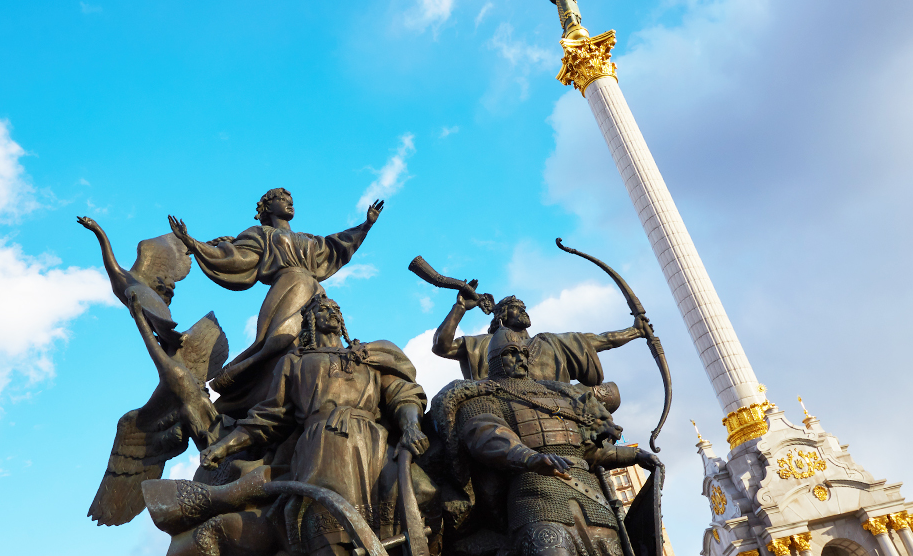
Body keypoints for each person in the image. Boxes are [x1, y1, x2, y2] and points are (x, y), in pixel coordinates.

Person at [200, 293, 433, 556]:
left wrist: (411, 425)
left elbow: (403, 394)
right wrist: (223, 447)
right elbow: (269, 416)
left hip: (373, 445)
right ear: (310, 319)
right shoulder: (296, 362)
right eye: (324, 309)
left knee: (417, 501)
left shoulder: (368, 357)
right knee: (328, 529)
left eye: (336, 309)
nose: (332, 313)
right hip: (323, 447)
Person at [437, 329, 663, 556]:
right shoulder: (484, 396)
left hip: (595, 503)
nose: (520, 359)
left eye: (523, 353)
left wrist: (634, 455)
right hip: (536, 498)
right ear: (494, 360)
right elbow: (486, 435)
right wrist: (529, 457)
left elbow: (588, 450)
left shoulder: (559, 394)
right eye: (511, 353)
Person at [168, 188, 383, 416]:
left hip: (316, 292)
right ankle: (247, 391)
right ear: (268, 207)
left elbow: (336, 246)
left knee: (317, 344)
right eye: (283, 200)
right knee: (278, 343)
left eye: (291, 200)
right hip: (287, 287)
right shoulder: (261, 234)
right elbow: (236, 258)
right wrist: (192, 242)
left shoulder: (308, 239)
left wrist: (365, 226)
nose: (290, 203)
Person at [431, 294, 647, 385]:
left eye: (525, 308)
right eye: (517, 308)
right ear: (503, 316)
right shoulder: (482, 345)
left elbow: (602, 340)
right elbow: (442, 346)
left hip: (558, 410)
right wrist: (459, 308)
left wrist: (635, 331)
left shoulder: (553, 342)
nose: (524, 311)